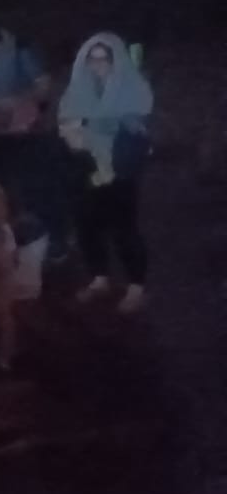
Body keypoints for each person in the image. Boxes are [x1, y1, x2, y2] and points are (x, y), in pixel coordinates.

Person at [59, 32, 153, 314]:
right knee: (87, 224)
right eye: (92, 59)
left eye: (103, 59)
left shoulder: (131, 87)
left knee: (124, 227)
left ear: (115, 61)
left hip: (120, 170)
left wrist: (93, 128)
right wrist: (75, 133)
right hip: (85, 167)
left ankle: (137, 286)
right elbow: (67, 122)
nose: (97, 65)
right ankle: (99, 278)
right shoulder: (79, 88)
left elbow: (136, 125)